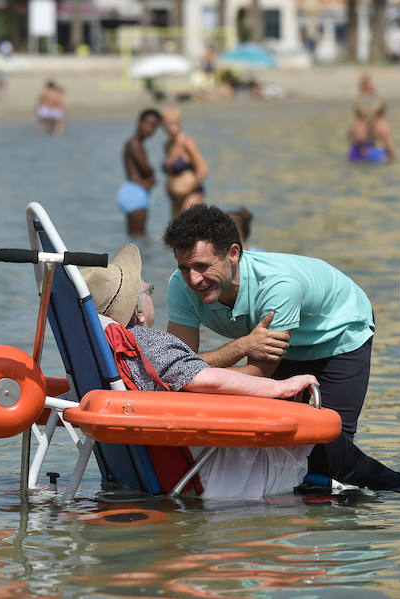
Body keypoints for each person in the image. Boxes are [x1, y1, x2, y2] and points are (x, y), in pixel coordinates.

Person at [162, 204, 400, 490]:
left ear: (233, 254)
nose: (193, 279)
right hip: (283, 347)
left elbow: (257, 376)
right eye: (184, 268)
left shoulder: (278, 286)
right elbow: (176, 367)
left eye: (203, 267)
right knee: (279, 442)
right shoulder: (180, 287)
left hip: (339, 335)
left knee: (326, 449)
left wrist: (220, 365)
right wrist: (243, 345)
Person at [80, 243, 319, 498]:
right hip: (203, 472)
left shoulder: (99, 353)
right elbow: (208, 380)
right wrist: (281, 386)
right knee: (324, 449)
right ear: (138, 312)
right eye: (148, 290)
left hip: (145, 470)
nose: (151, 296)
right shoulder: (147, 341)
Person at [117, 109, 161, 237]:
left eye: (155, 126)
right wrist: (152, 177)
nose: (151, 129)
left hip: (134, 192)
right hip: (135, 193)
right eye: (148, 124)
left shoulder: (136, 144)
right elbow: (147, 170)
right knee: (138, 236)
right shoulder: (134, 144)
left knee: (137, 236)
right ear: (139, 123)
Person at [161, 106, 208, 219]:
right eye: (167, 124)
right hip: (174, 198)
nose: (171, 127)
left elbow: (203, 170)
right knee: (174, 234)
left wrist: (187, 190)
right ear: (162, 125)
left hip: (191, 195)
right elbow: (170, 173)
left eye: (174, 123)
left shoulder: (187, 143)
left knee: (187, 233)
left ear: (180, 122)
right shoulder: (167, 146)